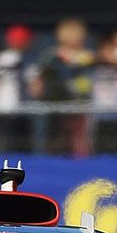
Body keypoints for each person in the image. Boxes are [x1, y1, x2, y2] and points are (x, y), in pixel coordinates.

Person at [33, 19, 95, 157]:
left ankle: (81, 160)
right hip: (55, 101)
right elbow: (39, 76)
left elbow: (88, 62)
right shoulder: (51, 54)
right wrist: (39, 89)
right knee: (57, 136)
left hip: (80, 101)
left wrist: (74, 59)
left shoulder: (86, 55)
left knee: (79, 135)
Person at [0, 24, 36, 152]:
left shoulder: (26, 59)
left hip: (15, 109)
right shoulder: (4, 58)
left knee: (11, 147)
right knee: (14, 147)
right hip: (8, 109)